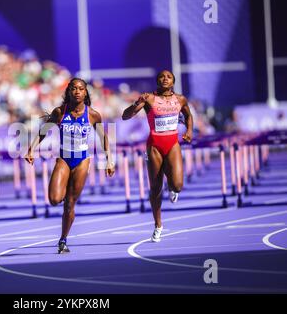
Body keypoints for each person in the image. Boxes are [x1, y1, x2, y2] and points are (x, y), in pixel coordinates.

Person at [26, 78, 115, 253]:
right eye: (74, 88)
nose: (77, 91)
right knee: (54, 199)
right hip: (64, 158)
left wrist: (109, 161)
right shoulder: (60, 112)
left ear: (85, 93)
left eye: (81, 89)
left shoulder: (93, 114)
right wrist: (31, 149)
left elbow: (103, 137)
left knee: (70, 204)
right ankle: (64, 190)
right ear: (69, 91)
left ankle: (63, 240)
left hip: (82, 160)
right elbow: (43, 132)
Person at [122, 70, 193, 243]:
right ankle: (158, 225)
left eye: (168, 76)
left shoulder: (181, 99)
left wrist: (189, 130)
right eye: (161, 77)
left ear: (173, 81)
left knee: (177, 185)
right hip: (154, 145)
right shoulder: (149, 99)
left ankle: (173, 188)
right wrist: (137, 103)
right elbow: (126, 116)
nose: (165, 79)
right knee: (155, 188)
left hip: (172, 143)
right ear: (157, 81)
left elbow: (188, 115)